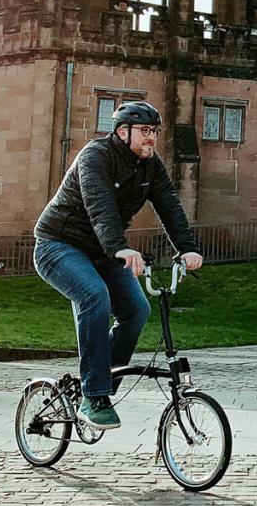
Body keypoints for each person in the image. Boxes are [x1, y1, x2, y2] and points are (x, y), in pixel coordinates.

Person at [33, 101, 203, 430]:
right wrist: (120, 248)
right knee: (94, 295)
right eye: (144, 131)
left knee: (137, 310)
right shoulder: (95, 156)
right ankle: (94, 396)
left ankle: (99, 385)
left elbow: (170, 206)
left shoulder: (151, 166)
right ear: (122, 132)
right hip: (58, 245)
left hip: (105, 252)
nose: (151, 138)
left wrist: (187, 248)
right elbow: (100, 206)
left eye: (154, 131)